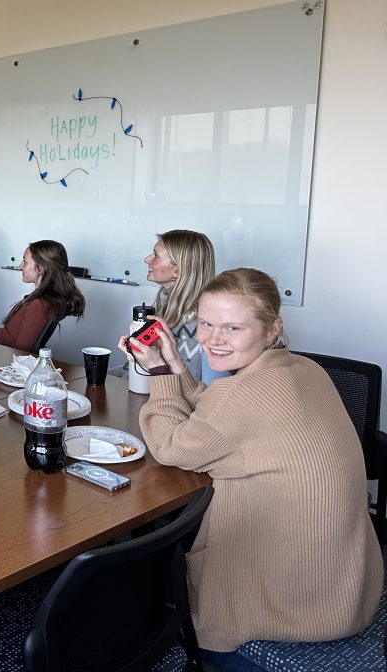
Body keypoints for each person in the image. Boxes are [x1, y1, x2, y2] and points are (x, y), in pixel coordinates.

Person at [124, 268, 381, 669]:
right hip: (342, 586)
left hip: (294, 606)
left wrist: (157, 372)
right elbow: (219, 408)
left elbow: (168, 446)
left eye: (232, 328)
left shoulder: (242, 395)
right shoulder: (304, 369)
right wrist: (175, 363)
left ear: (272, 329)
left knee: (147, 557)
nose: (211, 338)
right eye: (205, 323)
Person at [0, 240, 86, 352]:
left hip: (4, 360)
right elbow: (13, 336)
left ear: (41, 268)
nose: (20, 266)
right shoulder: (46, 300)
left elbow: (20, 353)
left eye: (25, 261)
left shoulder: (38, 305)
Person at [143, 229, 216, 381]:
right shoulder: (165, 305)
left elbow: (189, 388)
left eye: (156, 255)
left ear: (177, 270)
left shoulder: (196, 326)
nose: (147, 259)